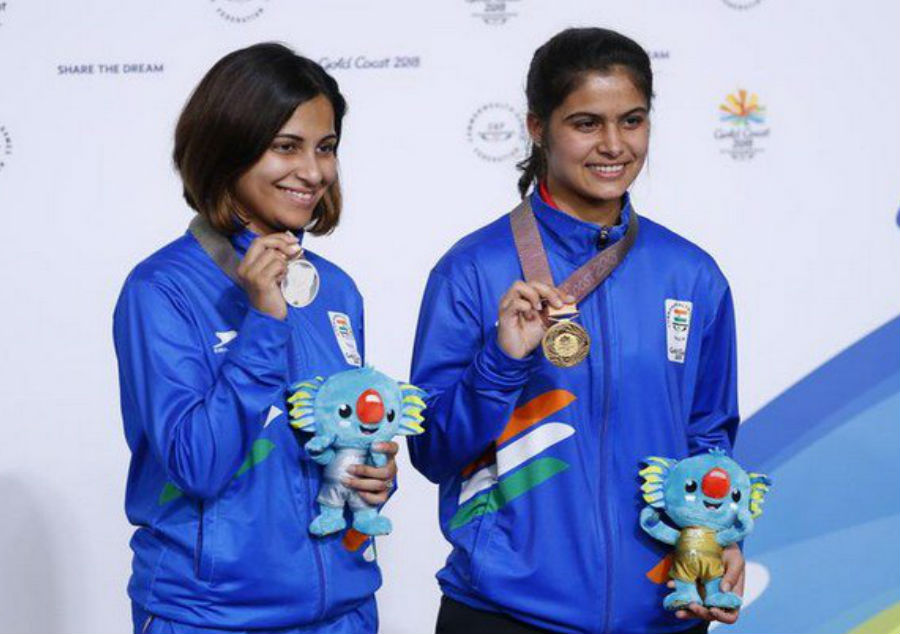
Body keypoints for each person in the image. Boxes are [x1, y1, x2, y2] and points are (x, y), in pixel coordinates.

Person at [409, 28, 743, 634]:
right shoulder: (473, 270)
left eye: (633, 120)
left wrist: (716, 532)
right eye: (586, 123)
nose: (614, 145)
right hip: (506, 612)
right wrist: (500, 361)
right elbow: (431, 450)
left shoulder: (692, 274)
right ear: (538, 127)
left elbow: (708, 435)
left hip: (662, 611)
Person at [113, 43, 396, 634]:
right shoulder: (161, 290)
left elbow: (327, 440)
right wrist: (263, 322)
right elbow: (198, 465)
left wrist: (368, 473)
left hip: (342, 611)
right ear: (227, 148)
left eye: (326, 148)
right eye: (285, 147)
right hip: (211, 618)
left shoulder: (335, 290)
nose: (314, 172)